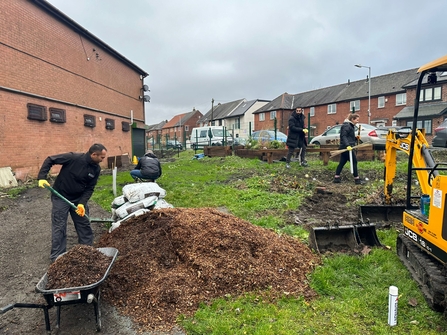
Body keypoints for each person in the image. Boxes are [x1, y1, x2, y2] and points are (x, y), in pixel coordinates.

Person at [37, 143, 107, 262]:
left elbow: (90, 188)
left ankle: (87, 251)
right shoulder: (73, 158)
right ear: (94, 154)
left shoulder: (96, 169)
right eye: (102, 157)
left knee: (84, 224)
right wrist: (42, 177)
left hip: (78, 200)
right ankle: (57, 257)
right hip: (61, 197)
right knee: (59, 226)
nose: (102, 160)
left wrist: (82, 203)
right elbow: (50, 159)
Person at [333, 114, 363, 184]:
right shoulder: (347, 126)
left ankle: (336, 178)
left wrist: (355, 138)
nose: (357, 122)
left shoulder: (350, 126)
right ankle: (357, 179)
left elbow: (349, 137)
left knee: (342, 162)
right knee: (354, 162)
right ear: (352, 119)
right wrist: (347, 145)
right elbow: (344, 136)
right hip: (346, 148)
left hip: (346, 147)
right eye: (357, 120)